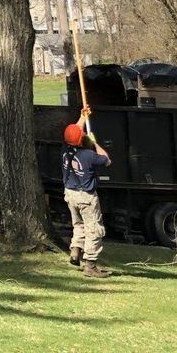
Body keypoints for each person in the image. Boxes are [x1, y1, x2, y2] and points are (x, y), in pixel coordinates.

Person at [63, 105, 112, 278]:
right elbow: (107, 160)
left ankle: (75, 251)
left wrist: (83, 117)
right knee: (93, 229)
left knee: (79, 225)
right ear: (82, 139)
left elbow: (75, 133)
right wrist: (93, 143)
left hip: (70, 194)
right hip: (86, 196)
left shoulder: (66, 151)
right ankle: (90, 264)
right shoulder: (89, 155)